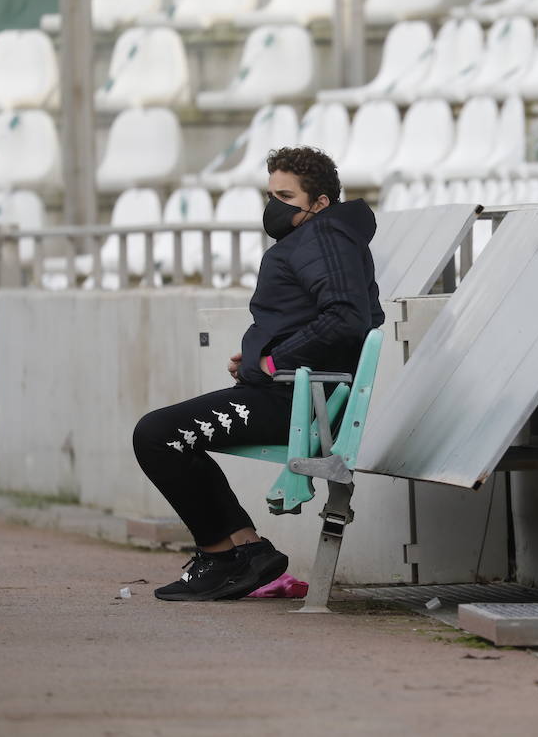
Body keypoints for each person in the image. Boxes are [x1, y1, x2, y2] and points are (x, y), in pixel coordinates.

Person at [132, 147, 384, 601]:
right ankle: (246, 553)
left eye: (286, 195)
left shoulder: (324, 238)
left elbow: (348, 317)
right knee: (174, 440)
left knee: (156, 435)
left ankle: (223, 557)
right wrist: (257, 358)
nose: (275, 206)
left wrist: (271, 362)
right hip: (291, 391)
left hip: (296, 401)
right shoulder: (320, 238)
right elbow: (312, 317)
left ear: (320, 203)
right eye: (270, 194)